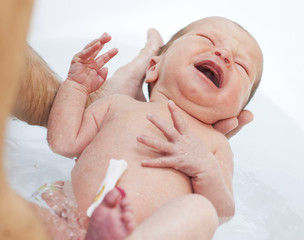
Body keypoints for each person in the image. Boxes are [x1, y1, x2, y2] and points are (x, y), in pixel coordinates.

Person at [45, 16, 263, 239]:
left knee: (202, 210)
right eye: (207, 39)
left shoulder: (214, 145)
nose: (224, 54)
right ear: (153, 66)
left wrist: (205, 168)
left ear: (235, 113)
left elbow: (223, 213)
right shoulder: (118, 105)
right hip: (67, 219)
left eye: (241, 66)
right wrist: (76, 86)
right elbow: (63, 142)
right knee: (23, 205)